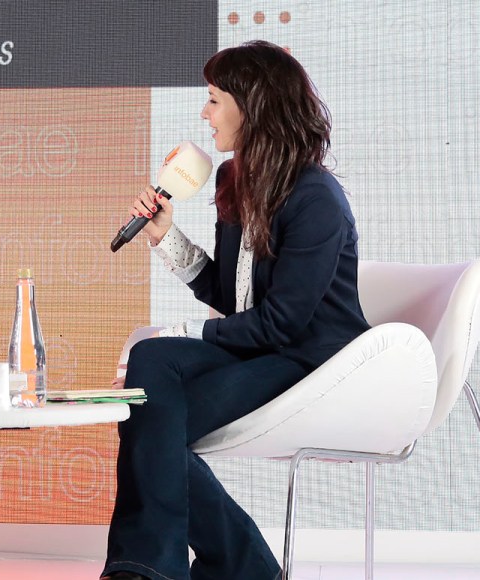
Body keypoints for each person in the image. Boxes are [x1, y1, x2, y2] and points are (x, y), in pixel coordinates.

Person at [101, 41, 370, 580]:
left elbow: (282, 323)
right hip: (258, 350)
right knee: (150, 381)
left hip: (308, 361)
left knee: (150, 420)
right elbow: (233, 299)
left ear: (254, 106)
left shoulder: (316, 198)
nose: (205, 114)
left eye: (214, 100)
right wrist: (164, 235)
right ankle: (213, 569)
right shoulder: (234, 179)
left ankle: (173, 568)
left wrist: (184, 330)